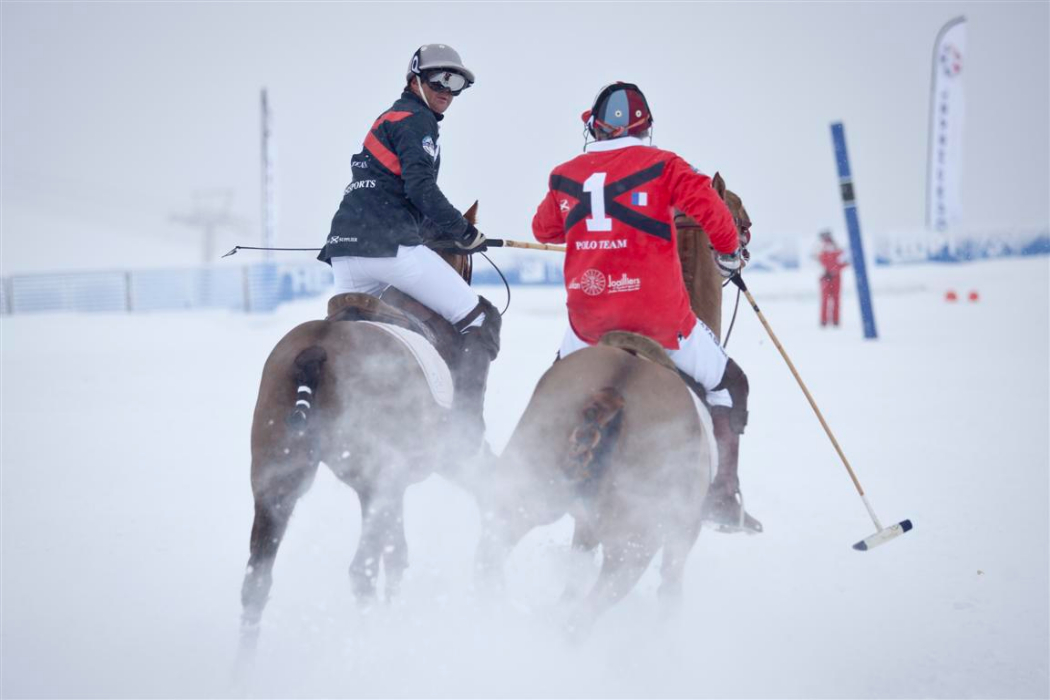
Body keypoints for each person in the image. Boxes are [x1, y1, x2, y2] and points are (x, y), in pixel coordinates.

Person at [531, 82, 761, 533]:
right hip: (661, 322)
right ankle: (720, 496)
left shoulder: (565, 174)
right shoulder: (666, 165)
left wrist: (591, 232)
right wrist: (730, 252)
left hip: (588, 327)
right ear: (647, 127)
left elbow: (543, 228)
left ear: (594, 127)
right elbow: (715, 214)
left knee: (554, 388)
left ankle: (538, 479)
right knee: (732, 385)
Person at [317, 44, 500, 451]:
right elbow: (420, 188)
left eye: (457, 83)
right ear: (414, 78)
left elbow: (397, 192)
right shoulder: (418, 121)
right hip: (390, 250)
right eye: (439, 78)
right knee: (481, 320)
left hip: (345, 254)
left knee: (358, 343)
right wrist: (462, 231)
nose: (447, 90)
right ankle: (466, 433)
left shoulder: (388, 118)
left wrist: (445, 229)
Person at [816, 229, 849, 327]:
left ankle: (834, 320)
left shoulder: (836, 248)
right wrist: (826, 271)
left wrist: (834, 270)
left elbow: (844, 262)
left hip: (834, 277)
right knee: (826, 300)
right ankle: (825, 320)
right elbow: (817, 262)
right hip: (826, 277)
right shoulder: (820, 248)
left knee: (835, 299)